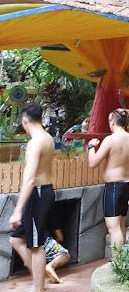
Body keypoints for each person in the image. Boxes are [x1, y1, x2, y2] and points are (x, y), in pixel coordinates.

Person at [9, 104, 55, 292]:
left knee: (36, 245)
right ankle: (41, 274)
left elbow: (30, 179)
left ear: (25, 120)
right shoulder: (48, 138)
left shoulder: (35, 142)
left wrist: (17, 210)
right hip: (44, 191)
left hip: (37, 193)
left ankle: (39, 288)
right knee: (16, 240)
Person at [87, 109, 129, 253]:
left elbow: (93, 163)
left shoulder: (110, 139)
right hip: (128, 185)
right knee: (121, 224)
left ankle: (117, 263)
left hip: (114, 186)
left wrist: (91, 147)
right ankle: (122, 262)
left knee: (113, 228)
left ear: (113, 122)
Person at [44, 207, 70, 284]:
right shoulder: (49, 211)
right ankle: (50, 266)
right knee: (65, 254)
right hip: (44, 241)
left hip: (28, 246)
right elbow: (60, 237)